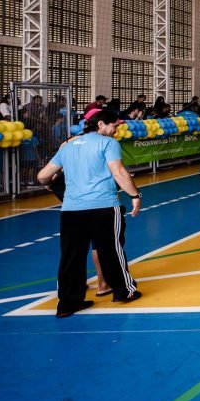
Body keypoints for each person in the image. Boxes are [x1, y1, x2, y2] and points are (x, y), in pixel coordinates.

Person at [37, 109, 143, 318]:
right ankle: (124, 291)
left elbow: (42, 176)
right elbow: (118, 172)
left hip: (71, 210)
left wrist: (49, 184)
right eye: (114, 126)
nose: (116, 130)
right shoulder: (108, 143)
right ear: (101, 124)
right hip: (103, 207)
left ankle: (68, 303)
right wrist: (134, 195)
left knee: (71, 256)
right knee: (111, 250)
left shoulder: (68, 146)